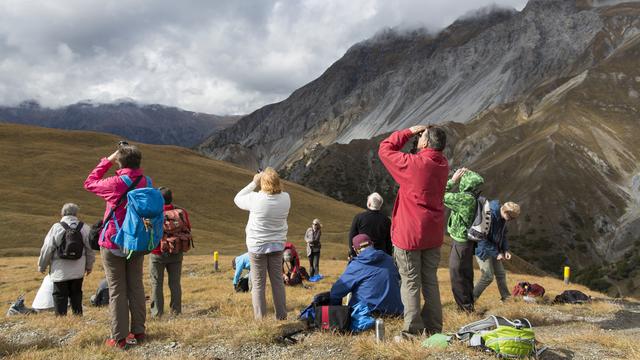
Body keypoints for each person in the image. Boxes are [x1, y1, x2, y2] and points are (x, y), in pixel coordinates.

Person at [378, 125, 449, 337]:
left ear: (425, 142)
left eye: (421, 137)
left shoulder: (415, 164)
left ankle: (412, 331)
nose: (418, 139)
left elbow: (385, 149)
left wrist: (409, 131)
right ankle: (434, 328)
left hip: (410, 233)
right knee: (430, 280)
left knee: (410, 282)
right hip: (433, 232)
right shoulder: (442, 164)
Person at [84, 144, 151, 349]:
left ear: (120, 162)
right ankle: (139, 331)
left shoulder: (115, 183)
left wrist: (107, 160)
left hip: (113, 241)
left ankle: (120, 337)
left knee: (117, 290)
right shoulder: (146, 181)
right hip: (136, 242)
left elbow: (89, 183)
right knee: (136, 286)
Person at [234, 167, 289, 320]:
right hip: (277, 246)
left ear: (263, 183)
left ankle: (261, 320)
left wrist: (254, 182)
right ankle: (282, 316)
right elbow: (277, 193)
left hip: (257, 247)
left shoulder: (256, 198)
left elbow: (237, 198)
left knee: (258, 284)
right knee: (277, 282)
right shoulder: (286, 198)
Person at [37, 203, 94, 316]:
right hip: (78, 269)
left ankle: (61, 318)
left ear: (62, 213)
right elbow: (90, 249)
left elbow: (47, 248)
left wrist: (42, 265)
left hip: (60, 270)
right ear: (76, 213)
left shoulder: (57, 227)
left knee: (59, 295)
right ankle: (77, 317)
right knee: (76, 293)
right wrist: (89, 266)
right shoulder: (84, 227)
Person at [330, 234, 403, 316]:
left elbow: (336, 292)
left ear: (355, 249)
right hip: (396, 311)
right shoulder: (390, 260)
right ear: (372, 244)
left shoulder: (356, 265)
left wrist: (336, 312)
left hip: (366, 314)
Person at [444, 168, 484, 312]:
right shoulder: (473, 196)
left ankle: (464, 309)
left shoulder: (465, 199)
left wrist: (452, 181)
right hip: (467, 243)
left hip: (460, 243)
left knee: (457, 274)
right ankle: (468, 305)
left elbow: (438, 194)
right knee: (466, 274)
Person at [149, 187, 190, 317]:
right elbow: (188, 228)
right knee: (175, 283)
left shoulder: (153, 213)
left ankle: (157, 313)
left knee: (156, 283)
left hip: (157, 252)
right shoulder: (181, 212)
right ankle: (176, 312)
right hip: (176, 250)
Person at [473, 201, 521, 301]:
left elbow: (503, 235)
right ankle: (471, 299)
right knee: (488, 276)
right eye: (511, 218)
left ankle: (506, 297)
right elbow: (482, 238)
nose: (511, 220)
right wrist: (497, 253)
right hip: (483, 249)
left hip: (495, 249)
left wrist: (505, 250)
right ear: (505, 212)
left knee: (500, 273)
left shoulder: (502, 218)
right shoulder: (489, 216)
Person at [348, 192, 392, 259]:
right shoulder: (386, 220)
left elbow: (352, 237)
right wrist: (389, 256)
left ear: (369, 204)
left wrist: (354, 255)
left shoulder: (359, 217)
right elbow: (389, 241)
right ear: (380, 205)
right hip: (381, 255)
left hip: (363, 254)